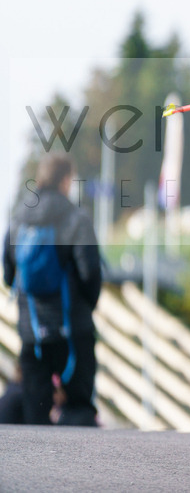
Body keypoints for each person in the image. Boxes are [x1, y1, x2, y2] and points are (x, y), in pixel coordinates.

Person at [3, 152, 103, 426]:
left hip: (32, 332)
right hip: (73, 332)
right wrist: (86, 309)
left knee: (35, 413)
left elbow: (10, 275)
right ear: (65, 180)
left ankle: (39, 469)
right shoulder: (75, 218)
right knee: (79, 408)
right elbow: (90, 272)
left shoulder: (18, 219)